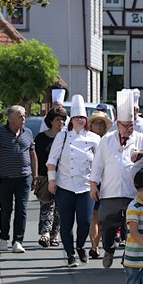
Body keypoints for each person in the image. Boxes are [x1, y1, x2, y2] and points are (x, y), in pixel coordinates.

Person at [91, 89, 143, 269]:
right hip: (110, 190)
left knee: (132, 226)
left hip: (133, 191)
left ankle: (129, 255)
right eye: (126, 125)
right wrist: (93, 185)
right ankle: (108, 248)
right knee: (107, 223)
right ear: (118, 123)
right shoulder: (106, 140)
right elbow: (97, 165)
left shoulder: (142, 138)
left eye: (132, 124)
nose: (130, 128)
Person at [47, 95, 102, 267]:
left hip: (86, 186)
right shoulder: (63, 136)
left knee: (85, 221)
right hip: (65, 185)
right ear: (72, 119)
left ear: (86, 120)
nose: (80, 120)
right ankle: (70, 254)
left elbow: (101, 163)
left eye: (83, 118)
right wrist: (51, 181)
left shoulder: (94, 138)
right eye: (77, 117)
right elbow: (52, 161)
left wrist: (99, 183)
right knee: (66, 222)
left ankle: (80, 246)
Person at [0, 105, 38, 254]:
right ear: (11, 118)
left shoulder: (27, 133)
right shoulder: (0, 133)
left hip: (24, 178)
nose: (24, 119)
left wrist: (34, 176)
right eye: (20, 116)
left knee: (22, 209)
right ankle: (3, 238)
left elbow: (33, 155)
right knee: (6, 209)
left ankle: (18, 241)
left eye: (24, 115)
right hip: (4, 178)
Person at [34, 108, 66, 248]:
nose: (61, 122)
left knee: (59, 208)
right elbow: (35, 157)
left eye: (63, 119)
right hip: (45, 176)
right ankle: (45, 234)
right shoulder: (41, 137)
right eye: (58, 119)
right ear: (51, 121)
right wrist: (35, 176)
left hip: (63, 177)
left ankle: (55, 235)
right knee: (46, 204)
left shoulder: (67, 137)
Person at [87, 109, 113, 259]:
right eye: (97, 123)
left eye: (103, 123)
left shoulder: (109, 140)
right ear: (91, 125)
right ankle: (94, 247)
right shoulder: (87, 140)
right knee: (95, 216)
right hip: (93, 182)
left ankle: (106, 245)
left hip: (109, 183)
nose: (100, 126)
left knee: (106, 218)